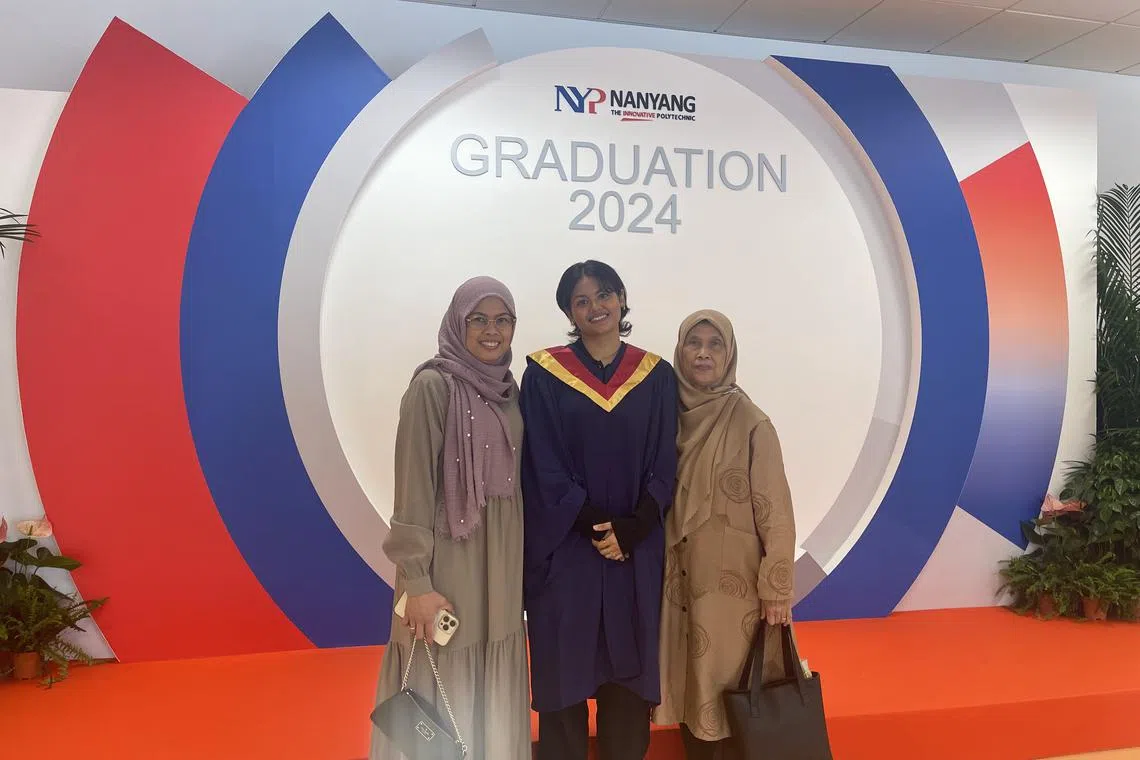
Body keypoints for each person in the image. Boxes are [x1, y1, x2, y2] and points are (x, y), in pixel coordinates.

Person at [520, 260, 678, 760]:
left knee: (627, 683)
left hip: (632, 551)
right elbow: (541, 461)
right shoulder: (544, 375)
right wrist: (592, 522)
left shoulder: (656, 376)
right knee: (564, 678)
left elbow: (666, 459)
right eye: (582, 300)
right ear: (569, 311)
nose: (595, 307)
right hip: (569, 549)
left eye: (604, 295)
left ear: (622, 299)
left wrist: (636, 525)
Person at [369, 276, 530, 760]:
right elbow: (412, 490)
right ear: (457, 323)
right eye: (478, 319)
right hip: (447, 567)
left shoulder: (509, 391)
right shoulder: (431, 387)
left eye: (502, 320)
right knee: (440, 669)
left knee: (491, 665)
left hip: (499, 568)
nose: (491, 330)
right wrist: (417, 584)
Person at [652, 309, 797, 760]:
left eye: (715, 345)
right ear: (680, 351)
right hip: (677, 580)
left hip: (733, 590)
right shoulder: (663, 417)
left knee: (730, 691)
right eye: (694, 343)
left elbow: (776, 512)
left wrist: (777, 589)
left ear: (729, 354)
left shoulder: (752, 422)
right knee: (690, 684)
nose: (703, 354)